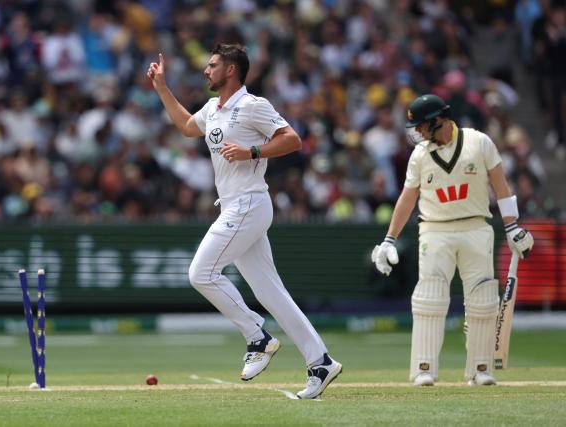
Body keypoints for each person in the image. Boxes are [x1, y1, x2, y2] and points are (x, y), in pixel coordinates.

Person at [146, 44, 341, 399]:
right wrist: (161, 87)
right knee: (271, 293)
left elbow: (293, 140)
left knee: (200, 273)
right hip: (234, 206)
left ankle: (258, 336)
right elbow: (188, 127)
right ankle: (321, 361)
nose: (206, 71)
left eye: (212, 65)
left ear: (231, 69)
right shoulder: (213, 109)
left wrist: (252, 151)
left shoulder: (253, 105)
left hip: (249, 203)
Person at [371, 94, 534, 386]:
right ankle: (424, 369)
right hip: (434, 230)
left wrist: (512, 228)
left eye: (421, 125)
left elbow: (501, 186)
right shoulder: (420, 155)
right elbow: (407, 199)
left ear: (437, 121)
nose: (418, 132)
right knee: (429, 299)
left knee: (483, 301)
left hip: (476, 227)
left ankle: (480, 369)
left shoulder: (478, 142)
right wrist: (388, 240)